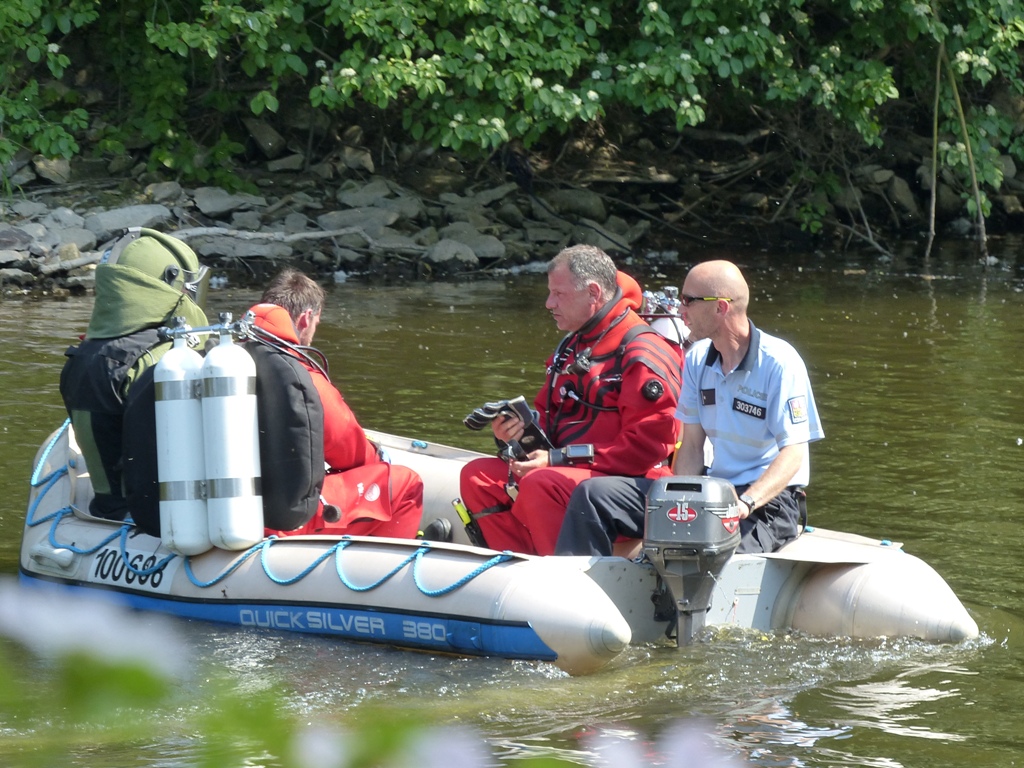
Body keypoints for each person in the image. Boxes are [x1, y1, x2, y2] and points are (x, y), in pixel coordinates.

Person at [555, 259, 824, 556]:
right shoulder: (697, 360)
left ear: (720, 307)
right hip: (713, 491)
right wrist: (676, 502)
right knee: (593, 495)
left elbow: (794, 453)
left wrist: (746, 503)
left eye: (689, 301)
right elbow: (693, 447)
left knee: (700, 551)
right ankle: (580, 589)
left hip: (767, 504)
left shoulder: (780, 362)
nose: (680, 310)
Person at [458, 244, 683, 555]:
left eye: (558, 294)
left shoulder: (642, 352)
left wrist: (557, 459)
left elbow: (643, 450)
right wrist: (518, 434)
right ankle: (518, 568)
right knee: (477, 476)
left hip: (634, 486)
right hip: (569, 472)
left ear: (592, 293)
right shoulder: (573, 344)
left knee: (542, 483)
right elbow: (549, 415)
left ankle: (560, 583)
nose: (549, 303)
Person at [248, 268, 423, 538]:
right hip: (279, 517)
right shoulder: (301, 378)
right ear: (306, 319)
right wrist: (377, 458)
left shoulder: (227, 358)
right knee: (405, 483)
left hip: (229, 507)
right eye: (317, 322)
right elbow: (353, 455)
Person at [60, 227, 210, 523]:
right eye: (187, 288)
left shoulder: (82, 355)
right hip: (157, 515)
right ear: (165, 284)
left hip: (107, 507)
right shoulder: (162, 357)